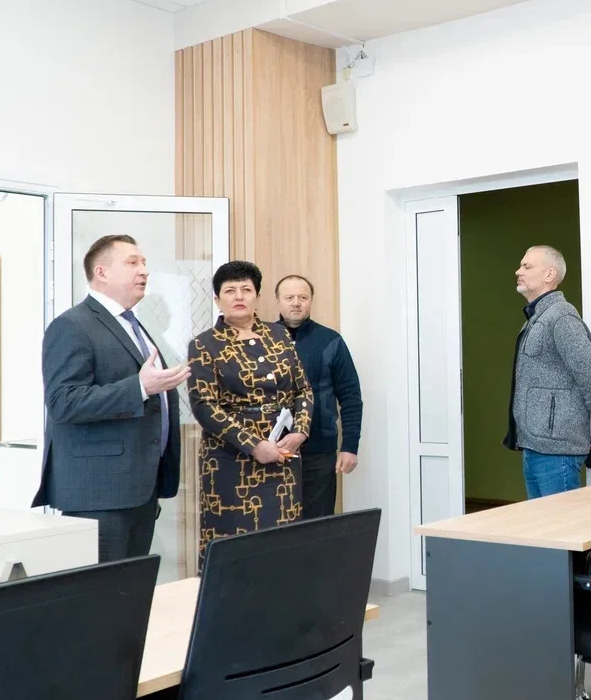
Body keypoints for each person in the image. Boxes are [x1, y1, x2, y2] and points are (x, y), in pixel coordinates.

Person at [35, 234, 189, 563]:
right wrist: (140, 388)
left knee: (130, 588)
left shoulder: (133, 325)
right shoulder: (72, 325)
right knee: (100, 591)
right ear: (102, 272)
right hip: (99, 494)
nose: (144, 270)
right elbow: (63, 402)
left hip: (140, 489)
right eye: (132, 263)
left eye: (144, 262)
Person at [188, 260, 314, 569]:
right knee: (235, 545)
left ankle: (279, 599)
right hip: (231, 461)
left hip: (283, 454)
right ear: (217, 299)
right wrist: (254, 445)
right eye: (230, 291)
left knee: (281, 542)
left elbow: (303, 389)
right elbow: (204, 406)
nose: (239, 296)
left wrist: (300, 430)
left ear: (257, 296)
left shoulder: (279, 335)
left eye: (246, 289)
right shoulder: (204, 344)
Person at [502, 245, 591, 498]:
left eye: (527, 266)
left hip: (555, 452)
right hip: (535, 447)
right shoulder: (537, 318)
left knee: (562, 522)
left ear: (549, 274)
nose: (518, 271)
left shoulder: (561, 317)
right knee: (542, 523)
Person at [275, 274, 364, 519]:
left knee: (317, 524)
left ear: (311, 301)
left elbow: (350, 397)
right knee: (274, 527)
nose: (296, 303)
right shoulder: (262, 341)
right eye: (289, 297)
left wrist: (349, 447)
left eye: (302, 297)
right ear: (277, 301)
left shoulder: (330, 341)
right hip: (271, 450)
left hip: (318, 452)